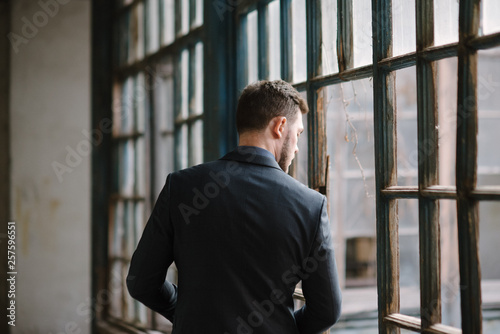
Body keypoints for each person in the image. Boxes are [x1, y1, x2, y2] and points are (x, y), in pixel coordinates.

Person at [127, 80, 342, 334]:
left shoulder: (182, 187)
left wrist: (182, 311)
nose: (296, 147)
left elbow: (141, 282)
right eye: (298, 134)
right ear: (280, 125)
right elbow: (327, 309)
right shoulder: (310, 205)